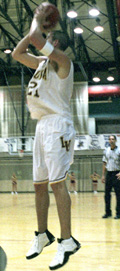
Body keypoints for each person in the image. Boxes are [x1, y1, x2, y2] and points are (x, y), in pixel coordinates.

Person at [12, 3, 80, 270]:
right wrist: (36, 27)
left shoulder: (63, 62)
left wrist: (37, 20)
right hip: (41, 127)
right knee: (39, 185)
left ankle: (67, 241)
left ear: (57, 43)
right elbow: (19, 53)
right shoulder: (41, 63)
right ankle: (43, 235)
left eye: (50, 40)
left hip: (58, 126)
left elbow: (34, 39)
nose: (46, 41)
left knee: (57, 184)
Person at [101, 135, 120, 219]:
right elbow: (104, 163)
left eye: (113, 139)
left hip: (117, 174)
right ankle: (108, 212)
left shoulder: (119, 150)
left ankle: (118, 213)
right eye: (110, 139)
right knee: (106, 194)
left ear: (115, 140)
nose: (111, 140)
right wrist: (103, 175)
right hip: (109, 174)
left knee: (118, 195)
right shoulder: (106, 151)